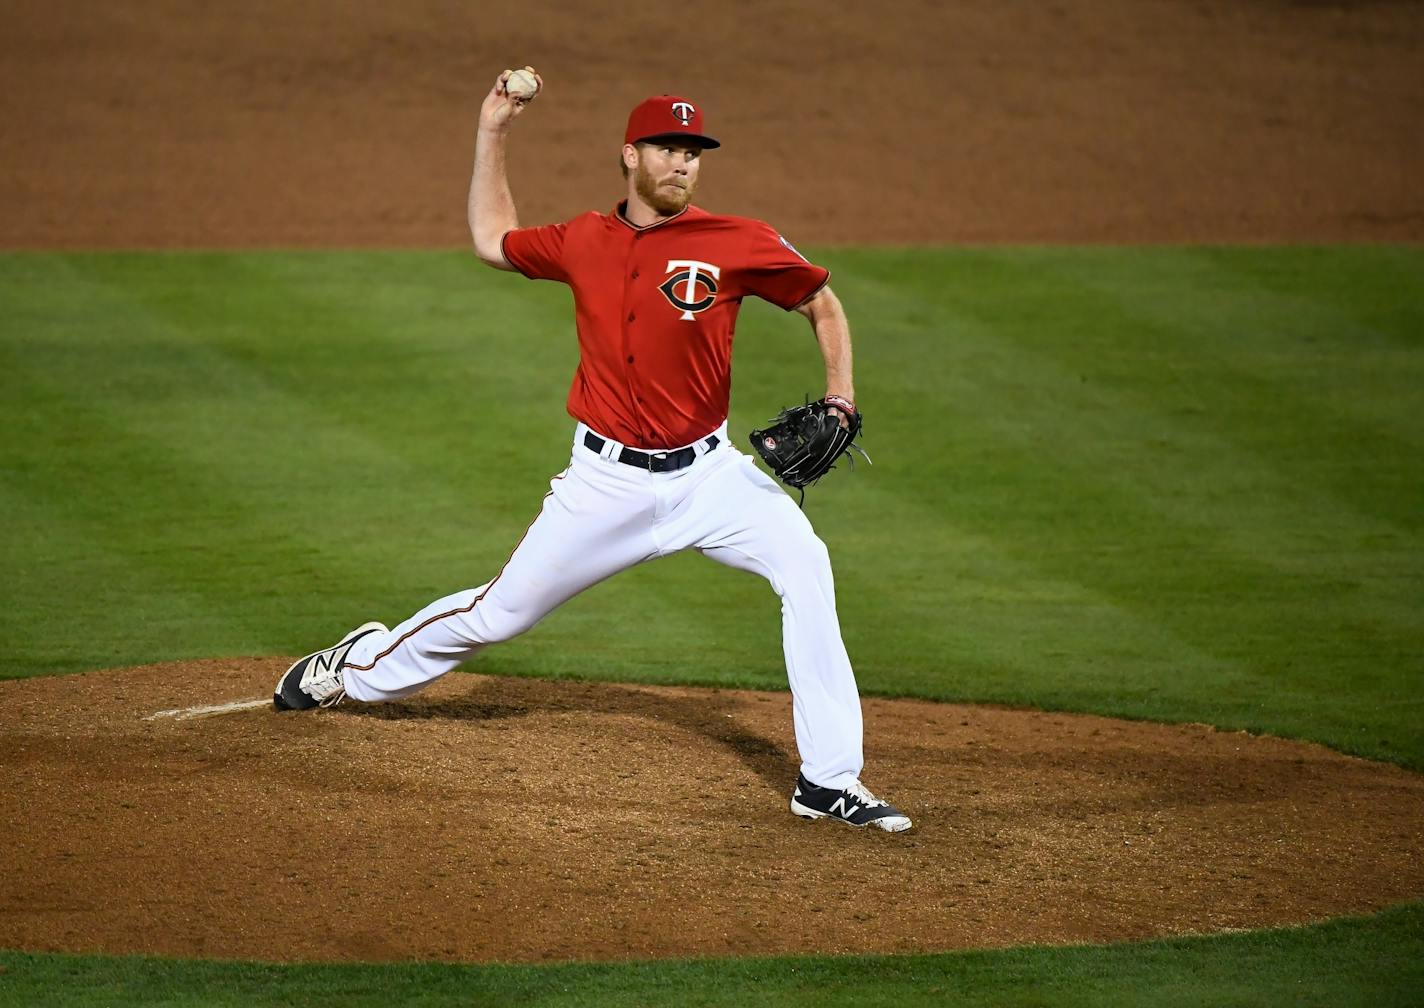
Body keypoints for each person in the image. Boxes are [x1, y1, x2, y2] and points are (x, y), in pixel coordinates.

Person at [274, 69, 911, 833]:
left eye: (694, 151)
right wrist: (494, 130)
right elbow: (490, 240)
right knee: (497, 615)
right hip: (604, 486)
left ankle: (829, 780)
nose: (684, 162)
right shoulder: (582, 239)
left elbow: (821, 301)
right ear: (630, 156)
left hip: (711, 478)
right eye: (669, 148)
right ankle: (355, 667)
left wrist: (840, 395)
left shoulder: (736, 240)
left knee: (805, 563)